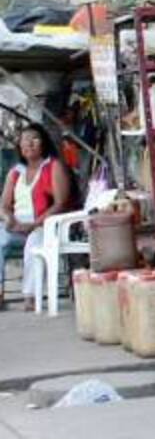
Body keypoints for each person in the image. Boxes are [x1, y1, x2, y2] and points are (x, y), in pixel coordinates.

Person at [0, 124, 71, 311]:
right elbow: (4, 206)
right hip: (17, 225)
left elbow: (60, 203)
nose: (29, 143)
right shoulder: (15, 172)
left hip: (46, 224)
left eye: (34, 139)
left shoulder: (53, 167)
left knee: (34, 240)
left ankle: (30, 296)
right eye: (24, 140)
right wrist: (8, 219)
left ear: (44, 143)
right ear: (19, 146)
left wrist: (34, 224)